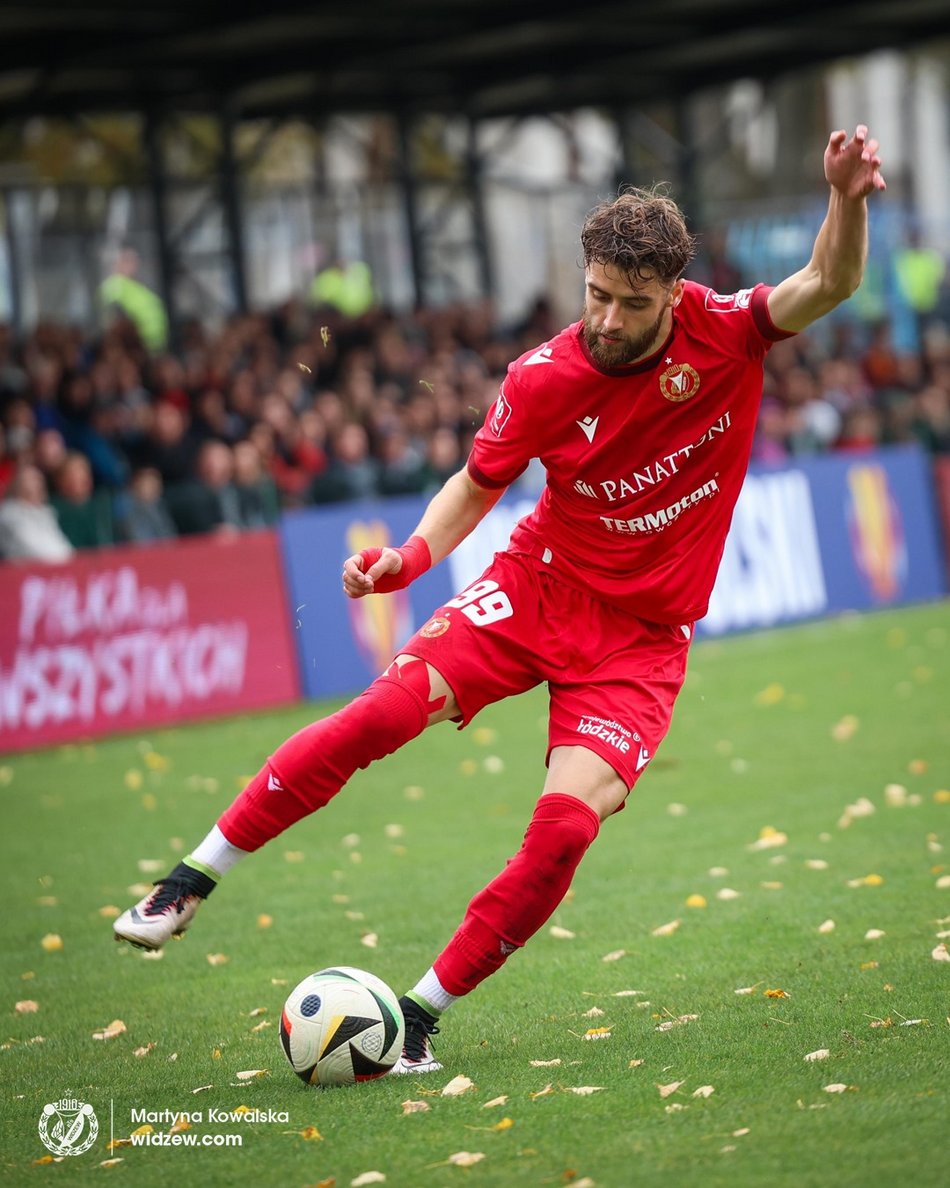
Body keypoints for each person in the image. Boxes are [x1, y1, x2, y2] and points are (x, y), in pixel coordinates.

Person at [114, 126, 886, 1075]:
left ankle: (418, 1017)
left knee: (563, 832)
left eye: (630, 304)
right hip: (537, 590)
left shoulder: (726, 333)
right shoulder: (544, 376)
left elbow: (830, 283)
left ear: (673, 297)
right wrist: (408, 556)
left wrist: (845, 200)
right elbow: (477, 486)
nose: (606, 318)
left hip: (641, 645)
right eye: (596, 294)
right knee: (379, 716)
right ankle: (187, 881)